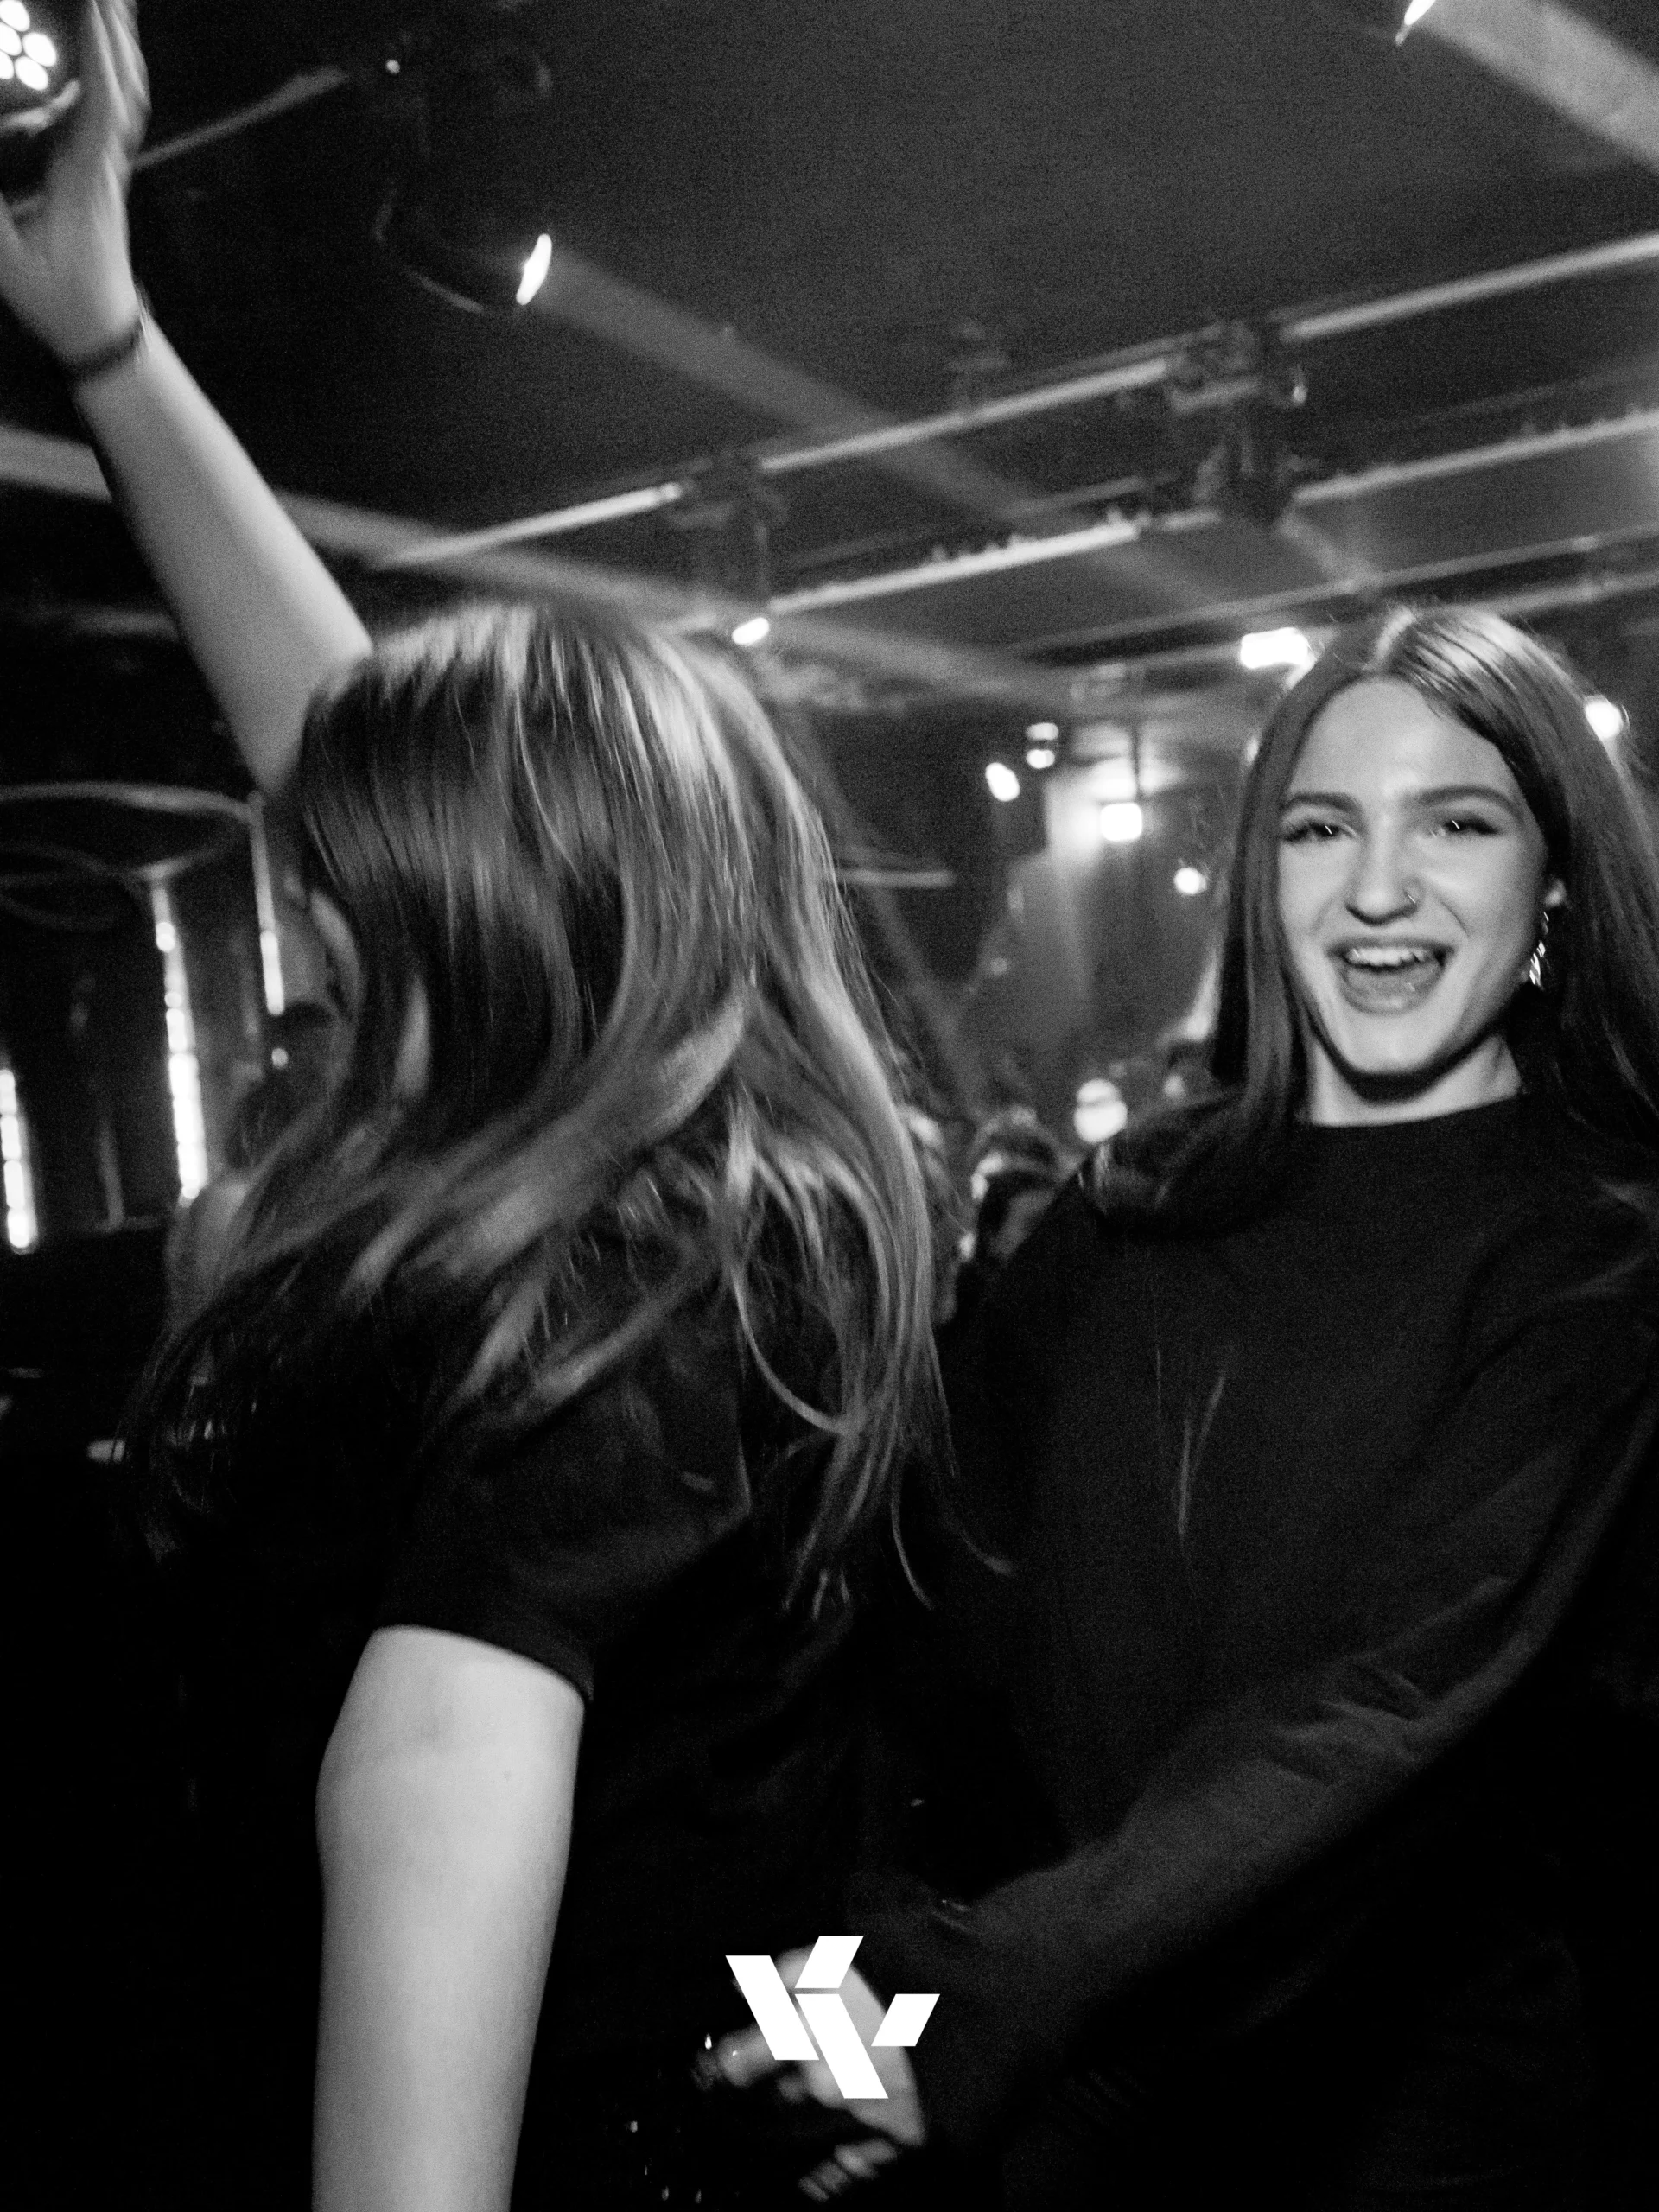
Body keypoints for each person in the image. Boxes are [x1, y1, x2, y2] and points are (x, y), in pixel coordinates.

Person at [0, 12, 944, 2207]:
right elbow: (804, 1786)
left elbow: (433, 1776)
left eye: (355, 888)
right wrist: (109, 343)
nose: (310, 914)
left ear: (490, 937)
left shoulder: (601, 1307)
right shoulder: (722, 1209)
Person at [722, 606, 1659, 2209]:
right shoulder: (1128, 1214)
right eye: (1320, 828)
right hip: (1064, 2106)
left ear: (1557, 878)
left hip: (1409, 2139)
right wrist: (847, 2002)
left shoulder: (1604, 1250)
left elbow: (1380, 1716)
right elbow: (919, 1645)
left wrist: (958, 2019)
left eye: (1456, 823)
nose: (1378, 888)